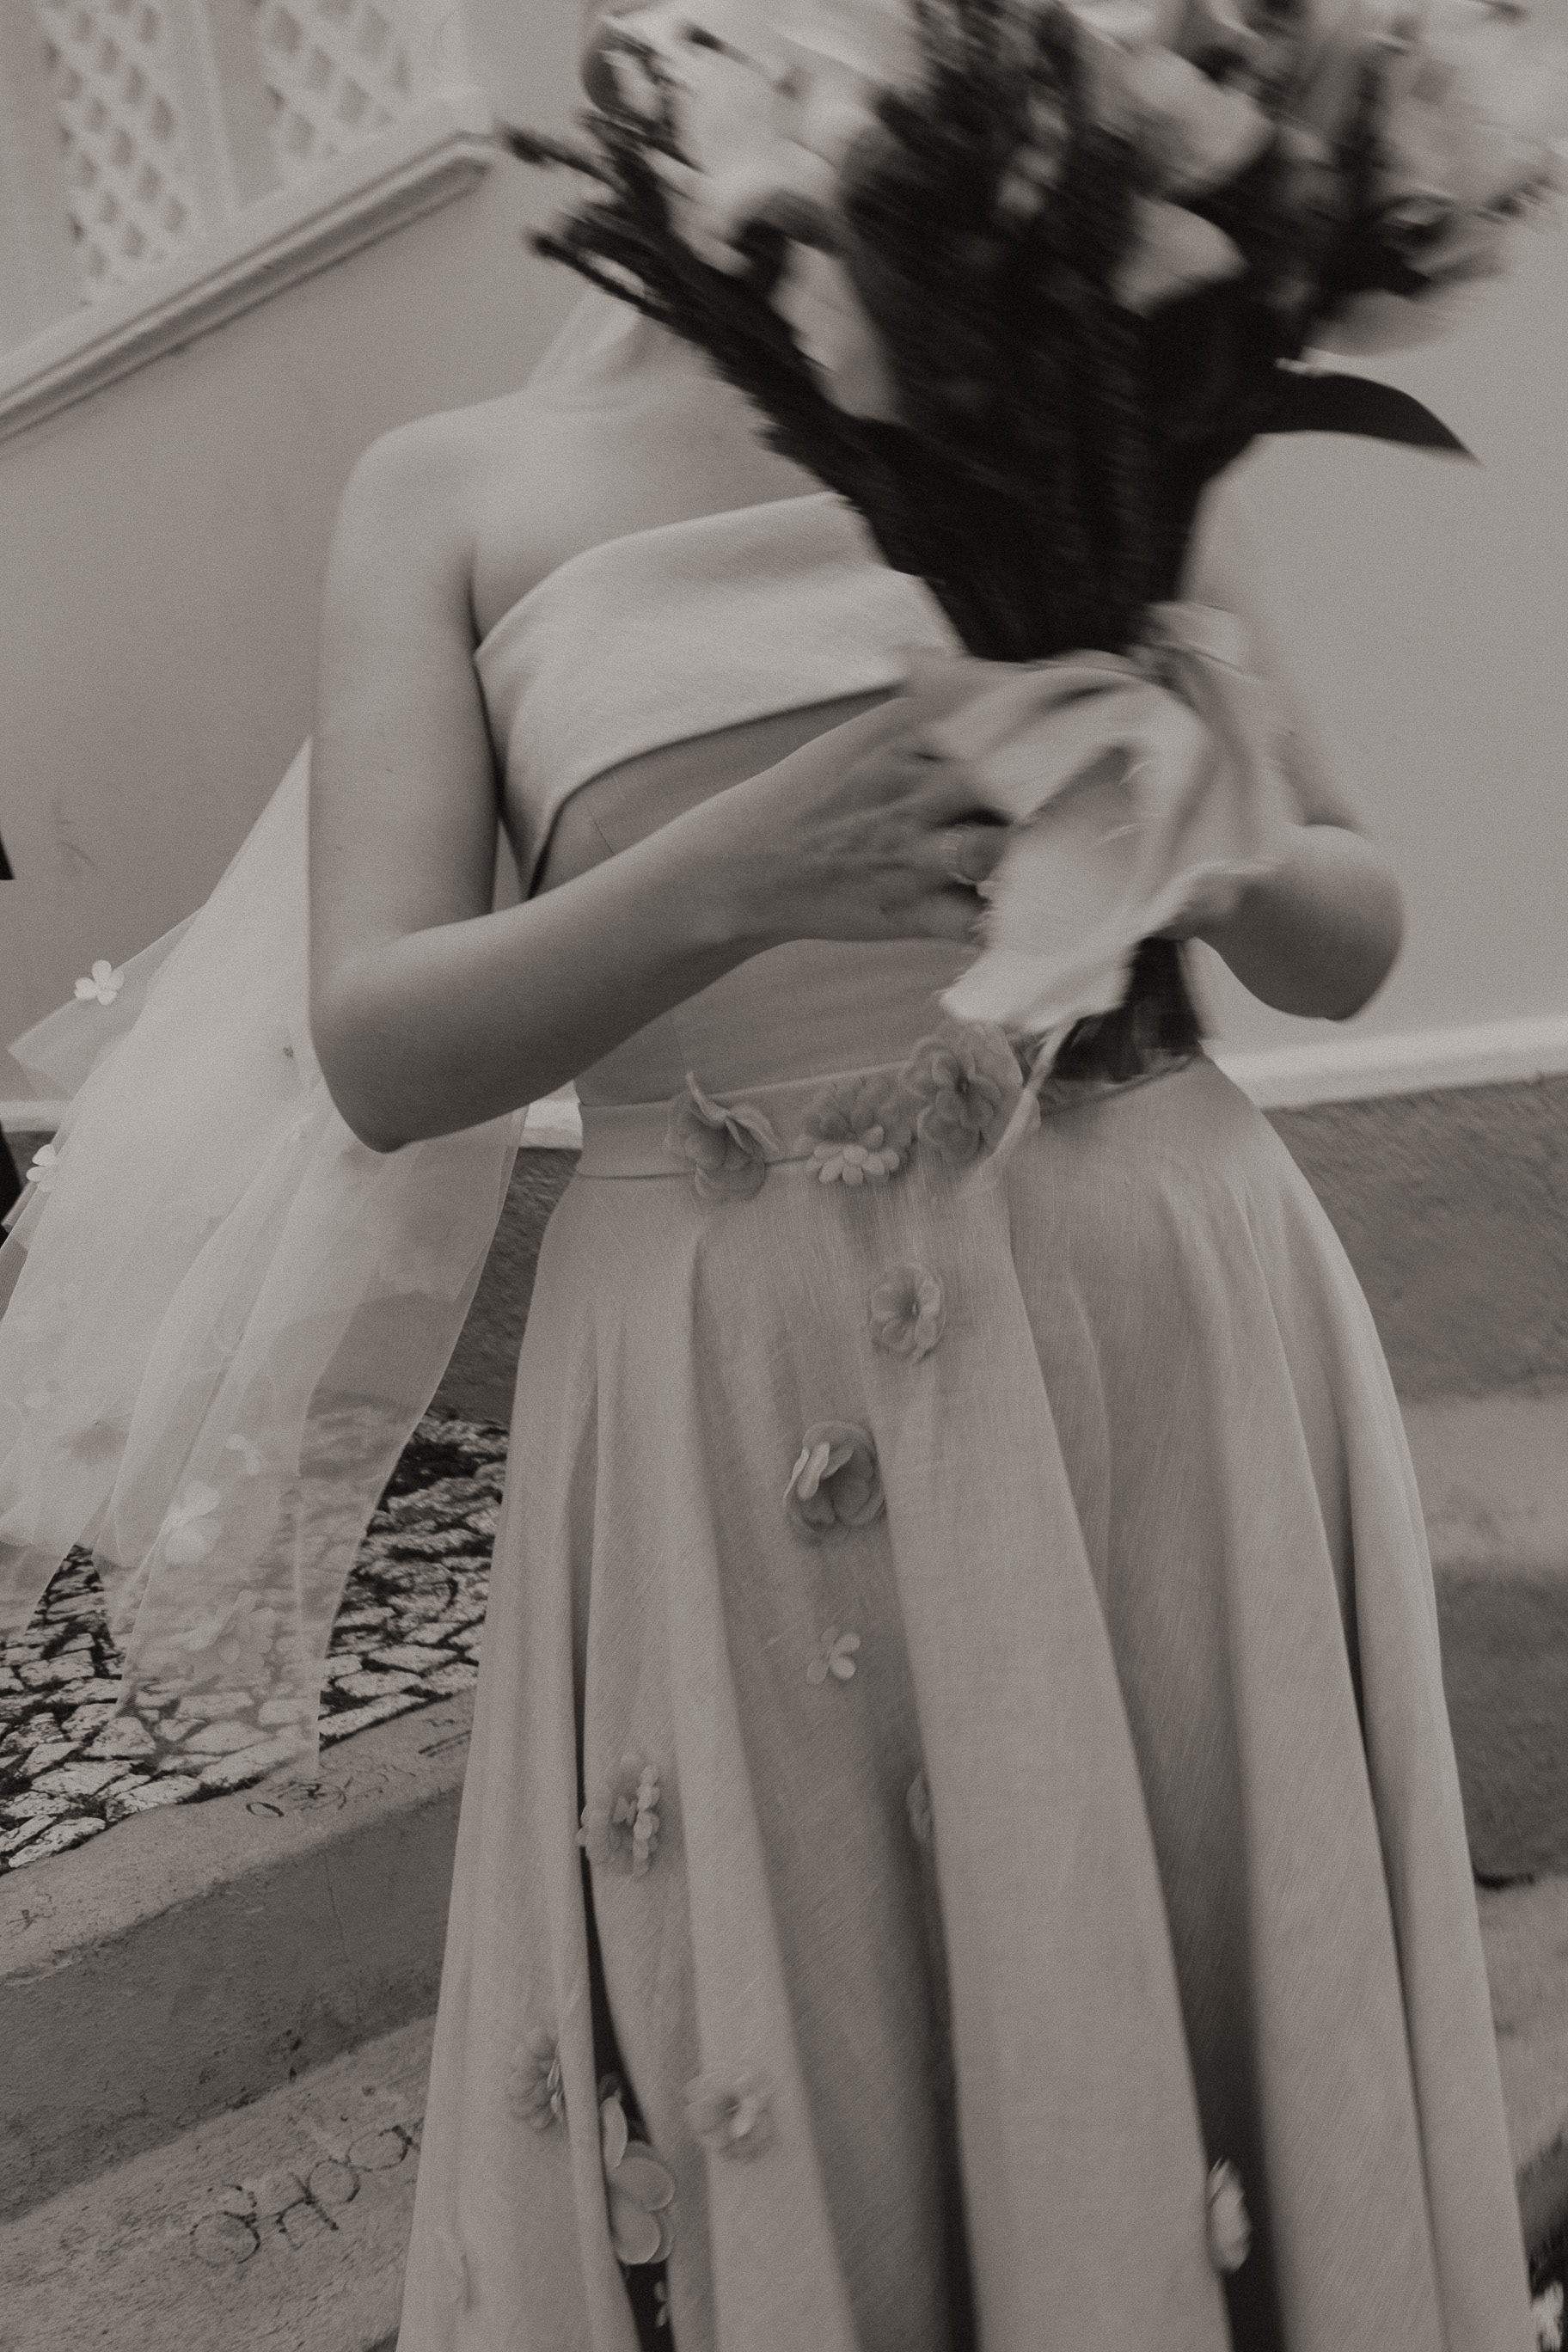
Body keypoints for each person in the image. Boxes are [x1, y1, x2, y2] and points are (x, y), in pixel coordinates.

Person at [0, 26, 1529, 2352]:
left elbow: (1348, 937)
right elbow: (386, 1046)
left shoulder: (1099, 391)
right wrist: (741, 871)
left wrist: (1186, 798)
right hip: (738, 1377)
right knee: (815, 2017)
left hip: (1156, 1303)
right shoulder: (454, 491)